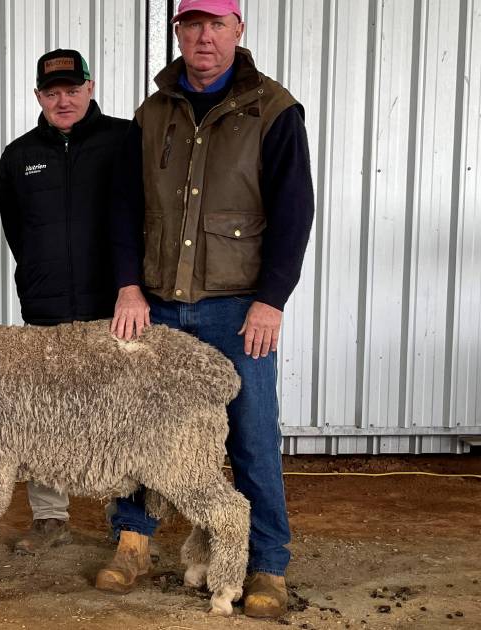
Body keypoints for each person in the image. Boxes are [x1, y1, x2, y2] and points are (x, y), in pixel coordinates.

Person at [105, 0, 314, 617]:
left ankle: (268, 564)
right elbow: (125, 207)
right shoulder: (152, 112)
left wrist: (270, 301)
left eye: (216, 24)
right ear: (178, 31)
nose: (203, 36)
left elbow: (294, 214)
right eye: (192, 24)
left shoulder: (274, 110)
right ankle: (133, 540)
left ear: (238, 30)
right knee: (139, 430)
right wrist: (128, 286)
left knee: (250, 436)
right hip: (158, 307)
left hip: (237, 309)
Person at [0, 49, 128, 555]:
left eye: (72, 89)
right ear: (38, 97)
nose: (63, 100)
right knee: (44, 413)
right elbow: (16, 229)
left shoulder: (122, 141)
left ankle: (126, 523)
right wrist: (37, 277)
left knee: (117, 412)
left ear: (89, 89)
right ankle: (50, 516)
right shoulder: (19, 154)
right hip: (46, 309)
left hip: (114, 307)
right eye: (52, 92)